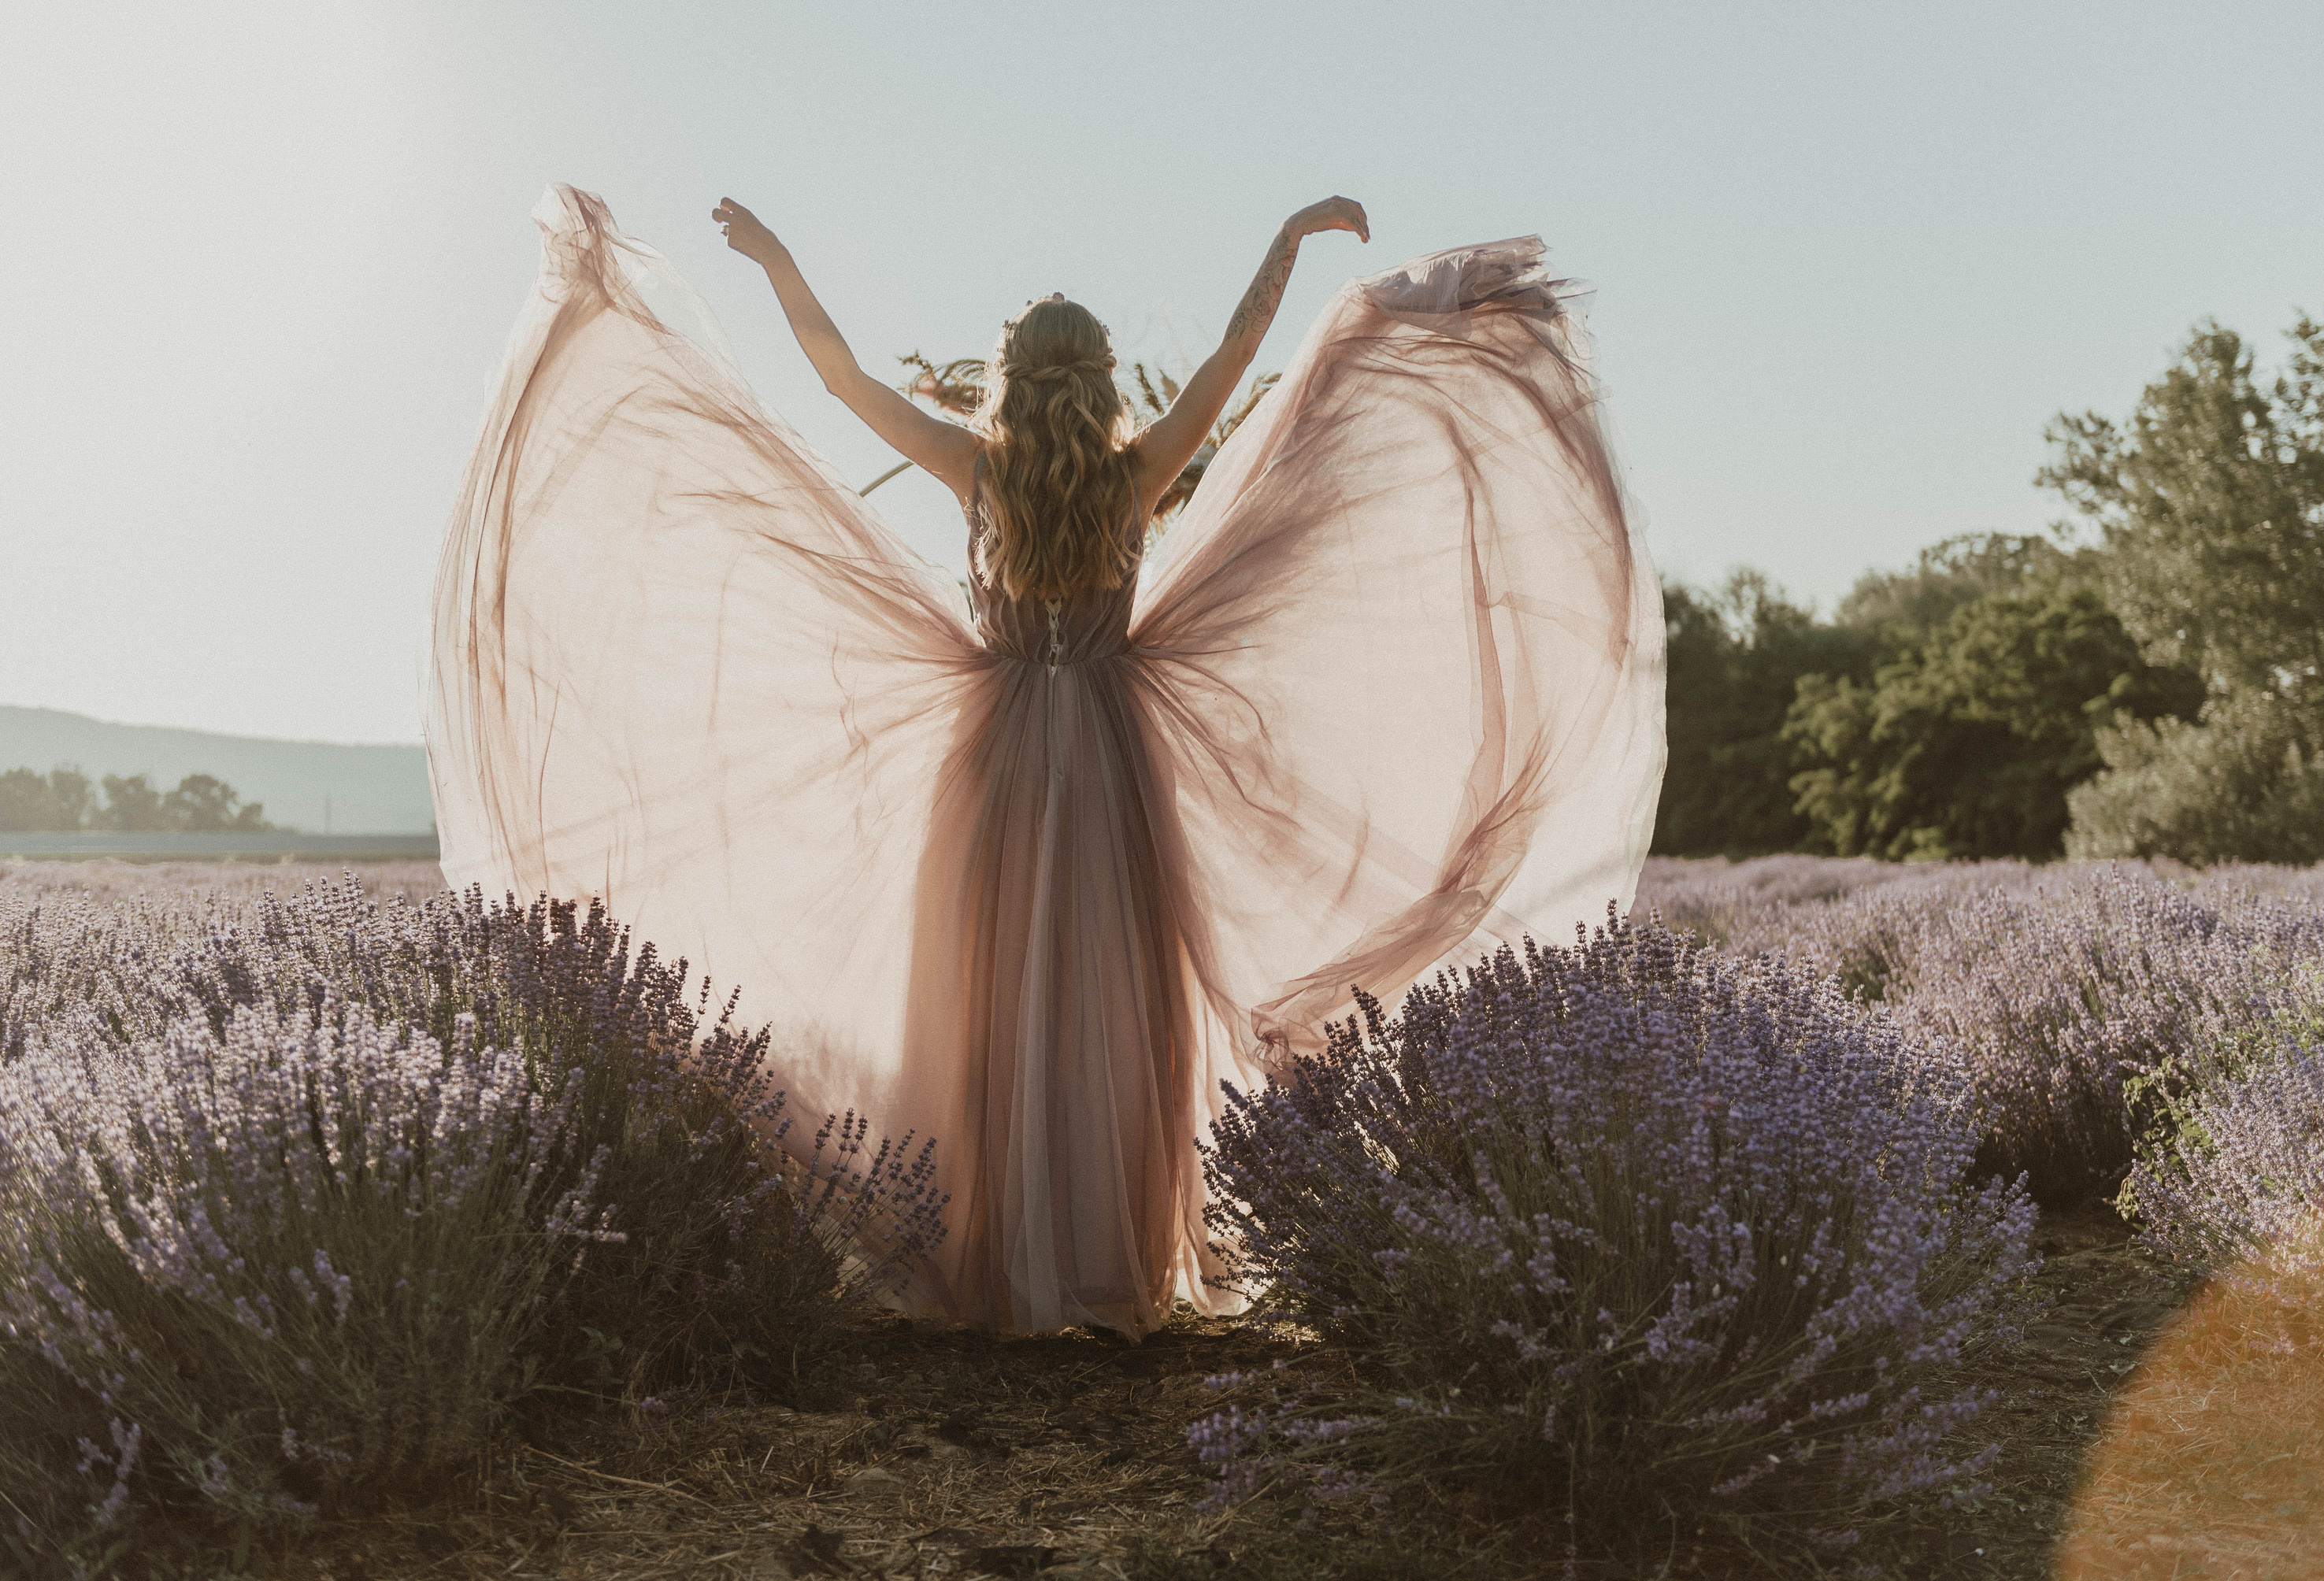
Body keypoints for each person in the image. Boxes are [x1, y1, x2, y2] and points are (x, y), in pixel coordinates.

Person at [427, 185, 1664, 1338]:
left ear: (1010, 384)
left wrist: (779, 267)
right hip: (1116, 757)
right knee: (1122, 998)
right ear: (1101, 381)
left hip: (1004, 756)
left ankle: (1007, 1260)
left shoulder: (980, 471)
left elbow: (841, 377)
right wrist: (1283, 248)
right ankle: (1112, 1261)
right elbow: (1240, 370)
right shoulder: (1134, 474)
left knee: (994, 990)